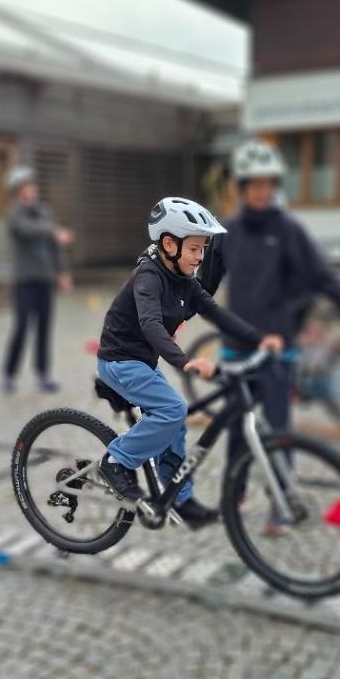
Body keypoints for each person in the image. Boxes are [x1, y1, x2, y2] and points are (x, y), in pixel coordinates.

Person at [196, 138, 340, 532]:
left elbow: (321, 273)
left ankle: (281, 502)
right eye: (254, 184)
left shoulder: (288, 230)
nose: (262, 191)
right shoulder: (227, 232)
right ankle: (235, 493)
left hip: (276, 349)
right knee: (237, 428)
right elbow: (203, 284)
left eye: (268, 184)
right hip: (236, 347)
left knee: (277, 430)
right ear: (242, 187)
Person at [95, 196, 283, 529]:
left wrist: (258, 339)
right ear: (169, 244)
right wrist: (184, 362)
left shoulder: (184, 279)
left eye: (203, 249)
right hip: (120, 361)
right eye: (195, 249)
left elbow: (216, 313)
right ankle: (115, 461)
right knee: (172, 410)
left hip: (142, 362)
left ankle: (179, 500)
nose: (200, 257)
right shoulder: (149, 276)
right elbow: (150, 324)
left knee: (176, 421)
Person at [1, 165, 74, 394]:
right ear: (17, 191)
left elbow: (55, 248)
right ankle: (9, 374)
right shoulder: (14, 214)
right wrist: (53, 231)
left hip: (45, 279)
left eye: (32, 185)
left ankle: (43, 374)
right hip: (24, 280)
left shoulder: (45, 212)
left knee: (44, 327)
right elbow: (27, 229)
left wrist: (62, 272)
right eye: (26, 186)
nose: (31, 189)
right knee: (22, 326)